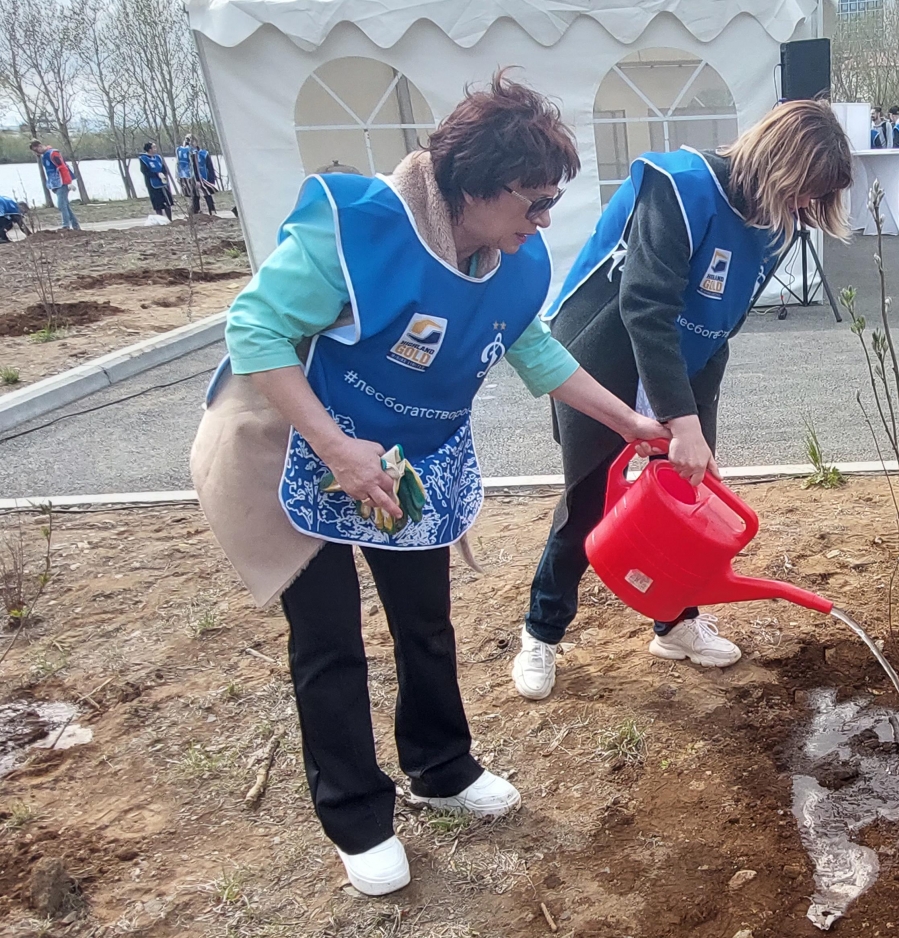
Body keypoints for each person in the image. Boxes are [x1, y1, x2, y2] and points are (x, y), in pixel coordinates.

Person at [190, 74, 669, 895]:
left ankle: (441, 767)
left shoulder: (510, 257)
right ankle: (357, 818)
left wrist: (630, 422)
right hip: (296, 441)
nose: (544, 221)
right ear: (476, 185)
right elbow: (255, 328)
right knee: (330, 639)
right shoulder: (361, 229)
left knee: (424, 617)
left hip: (402, 457)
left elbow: (530, 347)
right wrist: (337, 448)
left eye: (552, 203)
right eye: (534, 201)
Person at [511, 100, 854, 702]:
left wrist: (695, 417)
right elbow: (645, 307)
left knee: (685, 500)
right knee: (589, 500)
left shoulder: (776, 221)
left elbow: (721, 323)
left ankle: (674, 623)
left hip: (686, 360)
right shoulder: (679, 187)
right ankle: (542, 632)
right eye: (805, 190)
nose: (807, 205)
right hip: (605, 347)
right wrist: (681, 421)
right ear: (780, 165)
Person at [28, 140, 80, 231]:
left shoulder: (53, 154)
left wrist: (68, 182)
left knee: (61, 204)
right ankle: (76, 226)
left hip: (62, 182)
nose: (36, 153)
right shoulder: (44, 156)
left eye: (36, 150)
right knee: (65, 206)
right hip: (55, 184)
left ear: (40, 146)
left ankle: (66, 226)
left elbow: (63, 167)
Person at [139, 142, 174, 220]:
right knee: (158, 203)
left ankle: (170, 219)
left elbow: (164, 168)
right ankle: (161, 219)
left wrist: (163, 174)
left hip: (163, 182)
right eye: (154, 147)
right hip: (153, 184)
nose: (155, 149)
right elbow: (145, 171)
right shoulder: (143, 159)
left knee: (167, 202)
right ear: (149, 149)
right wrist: (156, 174)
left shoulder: (158, 157)